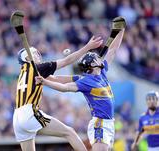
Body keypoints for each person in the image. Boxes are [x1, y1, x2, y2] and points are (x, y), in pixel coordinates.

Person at [35, 17, 126, 151]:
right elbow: (65, 87)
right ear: (93, 64)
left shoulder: (102, 72)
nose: (99, 57)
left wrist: (121, 30)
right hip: (100, 125)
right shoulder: (85, 81)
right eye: (96, 57)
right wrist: (46, 81)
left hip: (109, 123)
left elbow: (112, 49)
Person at [13, 36, 103, 151]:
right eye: (35, 54)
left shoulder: (24, 72)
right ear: (27, 57)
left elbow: (55, 79)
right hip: (29, 113)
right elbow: (67, 61)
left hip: (17, 118)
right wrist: (88, 47)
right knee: (69, 132)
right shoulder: (37, 68)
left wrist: (78, 78)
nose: (38, 56)